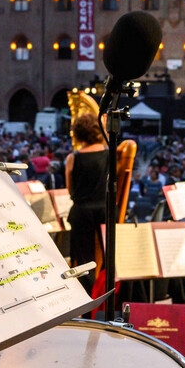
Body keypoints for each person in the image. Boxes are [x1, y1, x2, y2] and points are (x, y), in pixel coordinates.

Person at [64, 114, 109, 285]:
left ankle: (87, 299)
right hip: (105, 211)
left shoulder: (73, 158)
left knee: (83, 261)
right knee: (108, 256)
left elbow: (71, 190)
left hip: (82, 212)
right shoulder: (109, 156)